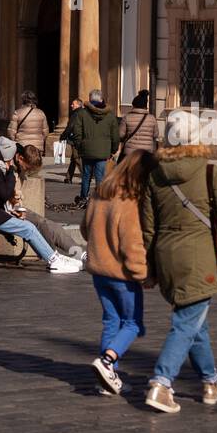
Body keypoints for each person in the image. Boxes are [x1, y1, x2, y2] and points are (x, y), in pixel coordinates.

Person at [141, 139, 217, 414]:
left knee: (197, 322)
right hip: (199, 258)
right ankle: (161, 383)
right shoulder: (211, 172)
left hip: (166, 256)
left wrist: (151, 268)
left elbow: (148, 228)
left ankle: (211, 382)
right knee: (186, 323)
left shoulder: (154, 175)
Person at [82, 149, 154, 396]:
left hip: (98, 270)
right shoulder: (130, 201)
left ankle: (108, 378)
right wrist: (142, 272)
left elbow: (85, 229)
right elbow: (132, 243)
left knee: (111, 321)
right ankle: (108, 361)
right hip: (121, 273)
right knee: (132, 323)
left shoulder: (100, 193)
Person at [0, 141, 81, 273]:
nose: (11, 164)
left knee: (45, 224)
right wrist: (10, 173)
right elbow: (3, 194)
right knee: (30, 227)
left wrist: (15, 207)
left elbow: (3, 195)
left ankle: (62, 256)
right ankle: (54, 259)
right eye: (10, 161)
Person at [68, 89, 120, 204]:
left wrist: (80, 145)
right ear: (101, 99)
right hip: (103, 151)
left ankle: (83, 197)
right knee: (100, 176)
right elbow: (115, 136)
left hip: (86, 149)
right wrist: (113, 149)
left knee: (86, 175)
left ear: (90, 99)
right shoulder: (110, 115)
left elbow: (77, 132)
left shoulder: (82, 113)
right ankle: (99, 199)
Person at [117, 89, 160, 160]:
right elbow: (156, 135)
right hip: (146, 153)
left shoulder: (127, 117)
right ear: (145, 106)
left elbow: (120, 135)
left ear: (134, 105)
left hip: (130, 153)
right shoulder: (152, 118)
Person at [7, 91, 50, 156]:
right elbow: (45, 132)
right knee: (35, 165)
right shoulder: (41, 113)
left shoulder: (17, 113)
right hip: (37, 147)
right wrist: (40, 141)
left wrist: (14, 142)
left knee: (22, 164)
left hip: (22, 146)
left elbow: (11, 132)